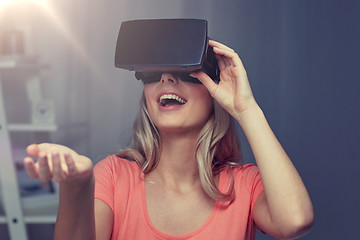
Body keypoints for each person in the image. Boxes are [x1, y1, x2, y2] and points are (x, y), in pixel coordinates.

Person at [23, 40, 314, 240]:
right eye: (152, 74)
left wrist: (245, 109)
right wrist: (77, 186)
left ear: (214, 92)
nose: (166, 78)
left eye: (185, 71)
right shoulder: (113, 176)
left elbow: (295, 221)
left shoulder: (245, 185)